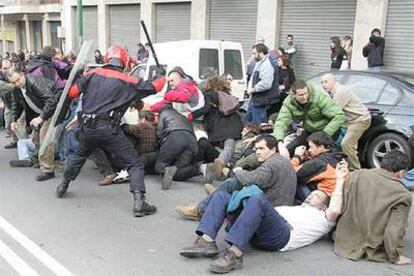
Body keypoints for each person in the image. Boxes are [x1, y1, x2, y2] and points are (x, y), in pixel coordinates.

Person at [179, 158, 347, 274]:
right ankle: (206, 241)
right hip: (257, 231)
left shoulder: (323, 218)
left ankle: (234, 255)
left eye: (317, 196)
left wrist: (340, 180)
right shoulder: (297, 207)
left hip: (281, 236)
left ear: (324, 205)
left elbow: (335, 210)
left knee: (257, 199)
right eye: (312, 194)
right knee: (223, 194)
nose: (311, 196)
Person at [55, 45, 166, 217]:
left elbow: (73, 92)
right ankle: (139, 203)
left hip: (87, 128)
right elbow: (157, 86)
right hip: (109, 130)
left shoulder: (92, 74)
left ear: (107, 59)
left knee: (78, 157)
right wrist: (160, 74)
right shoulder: (128, 80)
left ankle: (63, 185)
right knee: (135, 163)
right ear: (124, 60)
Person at [175, 134, 297, 221]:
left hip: (271, 208)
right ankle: (217, 194)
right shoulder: (281, 160)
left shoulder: (271, 165)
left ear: (273, 149)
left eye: (261, 148)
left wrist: (239, 171)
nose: (258, 152)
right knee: (233, 183)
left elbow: (249, 179)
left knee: (233, 182)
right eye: (256, 149)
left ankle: (200, 210)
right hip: (279, 202)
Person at [334, 150, 412, 265]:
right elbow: (394, 230)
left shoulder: (357, 175)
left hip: (342, 240)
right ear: (400, 173)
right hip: (370, 247)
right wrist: (395, 256)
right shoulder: (402, 194)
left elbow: (343, 204)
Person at [6, 67, 58, 181]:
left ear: (22, 74)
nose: (17, 84)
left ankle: (48, 170)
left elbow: (51, 101)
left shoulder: (34, 82)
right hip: (40, 112)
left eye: (18, 80)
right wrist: (14, 120)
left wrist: (41, 118)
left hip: (52, 111)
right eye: (13, 83)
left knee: (45, 139)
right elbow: (16, 105)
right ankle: (39, 160)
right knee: (35, 138)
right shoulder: (17, 88)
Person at [190, 75, 243, 181]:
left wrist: (191, 116)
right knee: (229, 147)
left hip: (218, 126)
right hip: (233, 124)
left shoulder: (210, 95)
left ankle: (218, 163)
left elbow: (206, 109)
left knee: (215, 148)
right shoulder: (227, 94)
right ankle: (223, 162)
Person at [273, 80, 345, 157]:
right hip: (310, 130)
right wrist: (279, 142)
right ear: (294, 95)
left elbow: (339, 115)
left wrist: (324, 134)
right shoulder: (289, 103)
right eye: (300, 95)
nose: (304, 97)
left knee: (324, 156)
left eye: (306, 93)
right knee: (289, 149)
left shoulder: (319, 97)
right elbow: (281, 123)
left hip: (328, 131)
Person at [321, 73, 371, 170]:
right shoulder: (332, 92)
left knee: (346, 144)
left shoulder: (340, 92)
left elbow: (333, 112)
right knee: (339, 144)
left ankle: (355, 170)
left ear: (334, 81)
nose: (323, 85)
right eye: (322, 82)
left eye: (326, 82)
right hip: (349, 121)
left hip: (359, 120)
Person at [292, 131, 344, 201]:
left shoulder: (320, 163)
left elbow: (291, 173)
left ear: (321, 147)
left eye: (311, 147)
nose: (309, 150)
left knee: (296, 182)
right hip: (337, 198)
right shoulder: (337, 156)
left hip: (324, 200)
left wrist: (297, 156)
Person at [154, 108, 198, 190]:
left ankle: (166, 172)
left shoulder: (164, 112)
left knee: (160, 165)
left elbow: (159, 131)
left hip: (176, 136)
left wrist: (159, 145)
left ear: (157, 114)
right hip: (192, 141)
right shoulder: (183, 117)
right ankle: (200, 168)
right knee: (178, 170)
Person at [246, 43, 279, 125]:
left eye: (254, 53)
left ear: (261, 53)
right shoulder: (259, 62)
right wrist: (249, 88)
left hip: (262, 100)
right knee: (249, 120)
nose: (253, 56)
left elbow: (266, 84)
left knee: (257, 124)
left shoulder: (267, 65)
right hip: (256, 99)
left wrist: (253, 89)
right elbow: (253, 76)